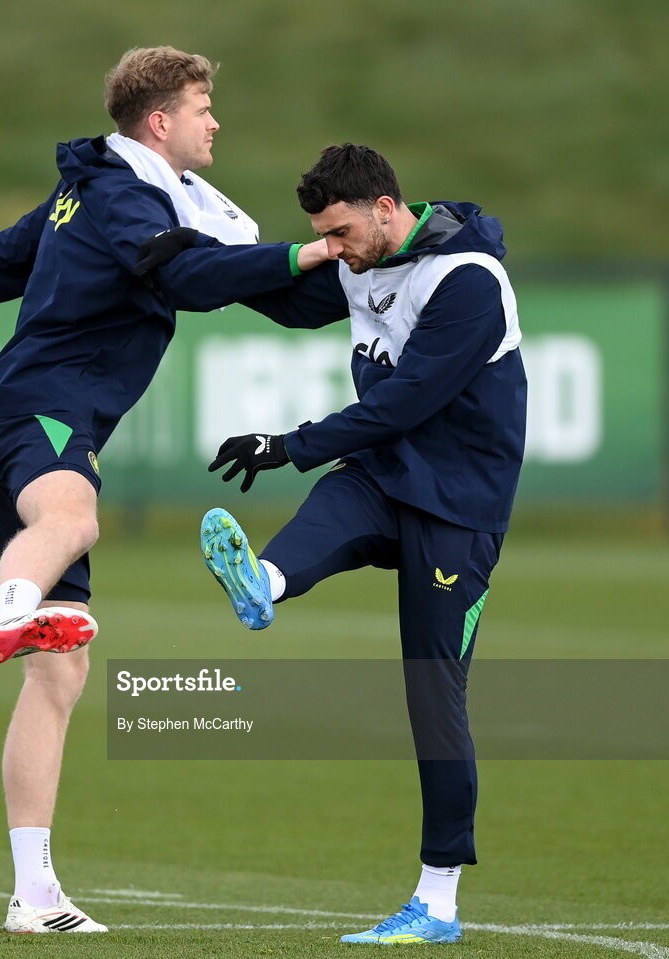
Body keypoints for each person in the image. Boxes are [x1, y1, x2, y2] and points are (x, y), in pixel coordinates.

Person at [0, 46, 331, 934]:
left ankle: (33, 891)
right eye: (203, 108)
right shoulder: (120, 197)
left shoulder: (123, 193)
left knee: (60, 674)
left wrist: (373, 271)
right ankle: (13, 604)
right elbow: (191, 278)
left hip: (30, 415)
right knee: (75, 514)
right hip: (36, 407)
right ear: (160, 121)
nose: (216, 123)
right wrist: (311, 253)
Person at [199, 143, 526, 945]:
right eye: (324, 235)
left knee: (431, 696)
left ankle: (438, 904)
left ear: (387, 208)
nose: (333, 249)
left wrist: (286, 442)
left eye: (341, 232)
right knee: (334, 504)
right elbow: (285, 295)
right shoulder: (358, 257)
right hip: (386, 472)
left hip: (459, 503)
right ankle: (264, 584)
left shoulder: (469, 281)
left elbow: (405, 402)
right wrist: (191, 258)